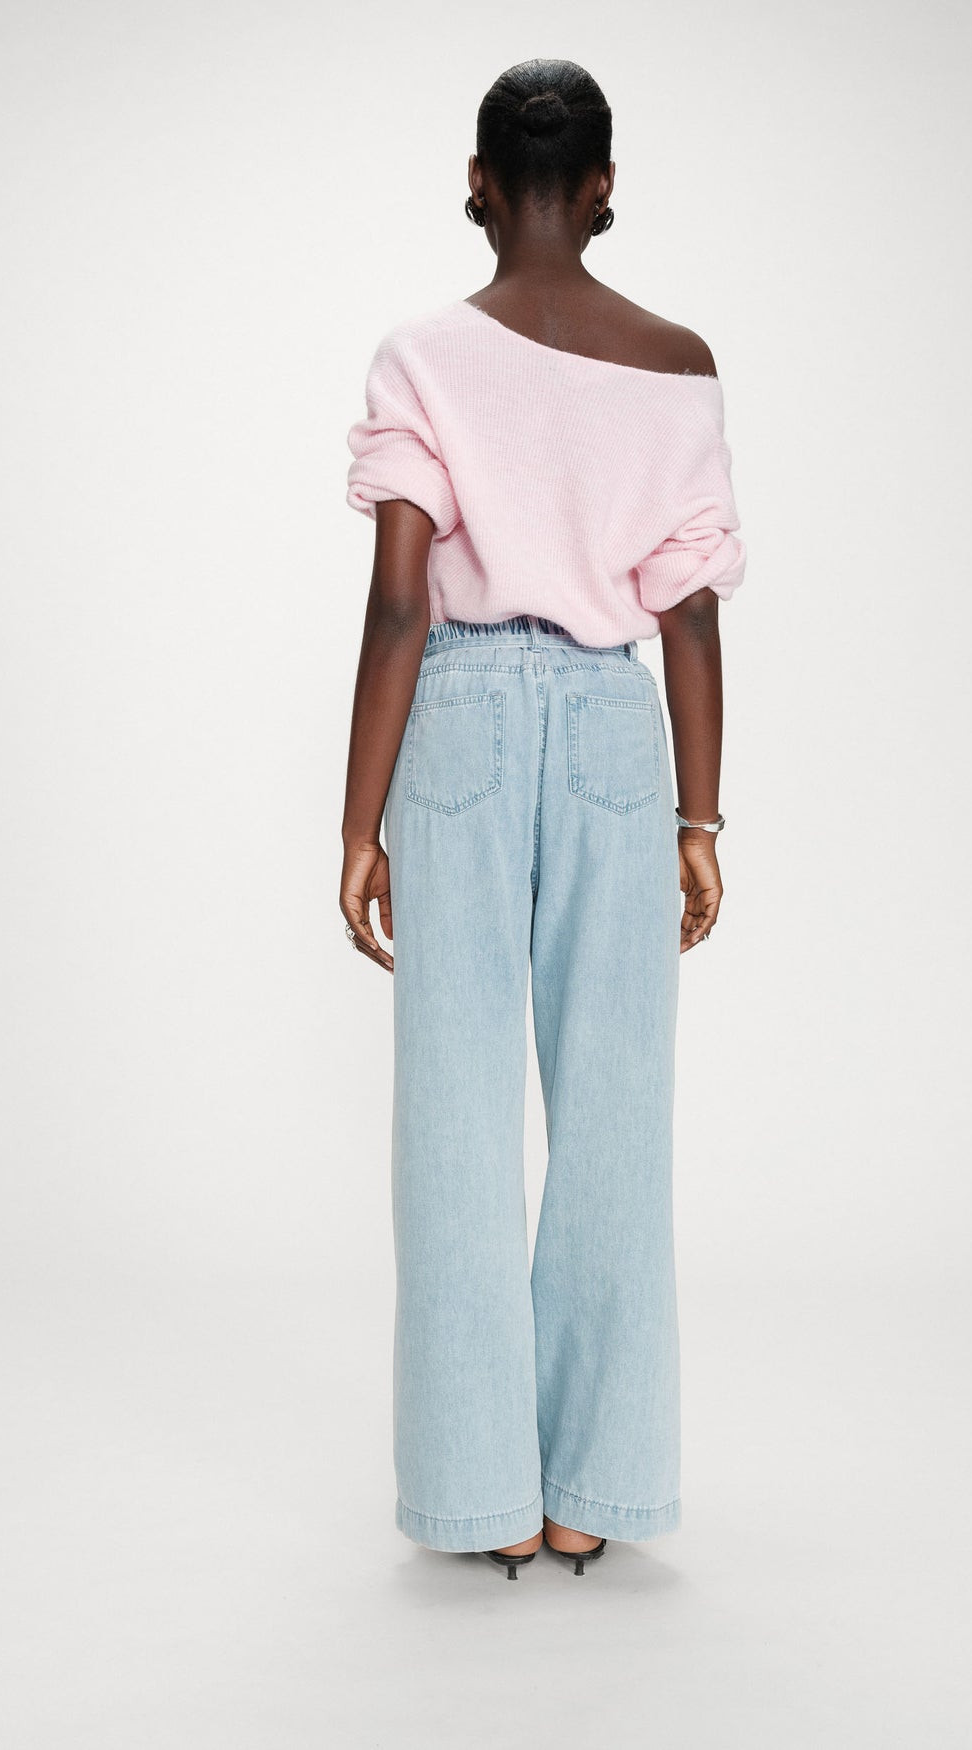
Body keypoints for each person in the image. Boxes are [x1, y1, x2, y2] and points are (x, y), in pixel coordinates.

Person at [338, 58, 746, 1579]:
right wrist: (700, 818)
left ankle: (481, 1496)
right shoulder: (677, 363)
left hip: (457, 718)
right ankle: (595, 1488)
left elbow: (399, 603)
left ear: (478, 180)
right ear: (604, 186)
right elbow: (690, 615)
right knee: (618, 1113)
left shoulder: (422, 357)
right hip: (613, 731)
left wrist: (358, 823)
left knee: (452, 1115)